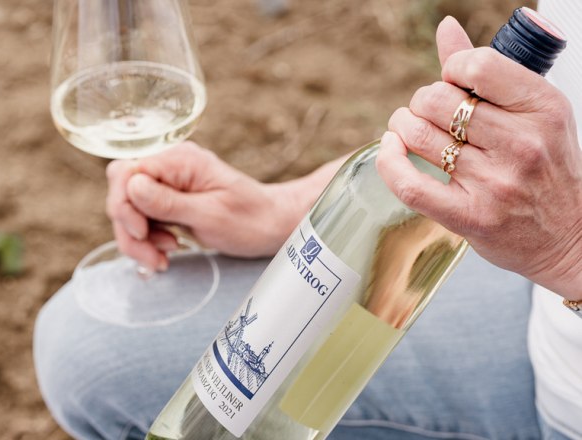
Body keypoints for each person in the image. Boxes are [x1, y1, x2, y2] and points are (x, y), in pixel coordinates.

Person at [34, 3, 582, 439]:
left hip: (565, 389)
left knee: (273, 417)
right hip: (533, 291)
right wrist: (282, 207)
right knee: (85, 347)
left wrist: (567, 250)